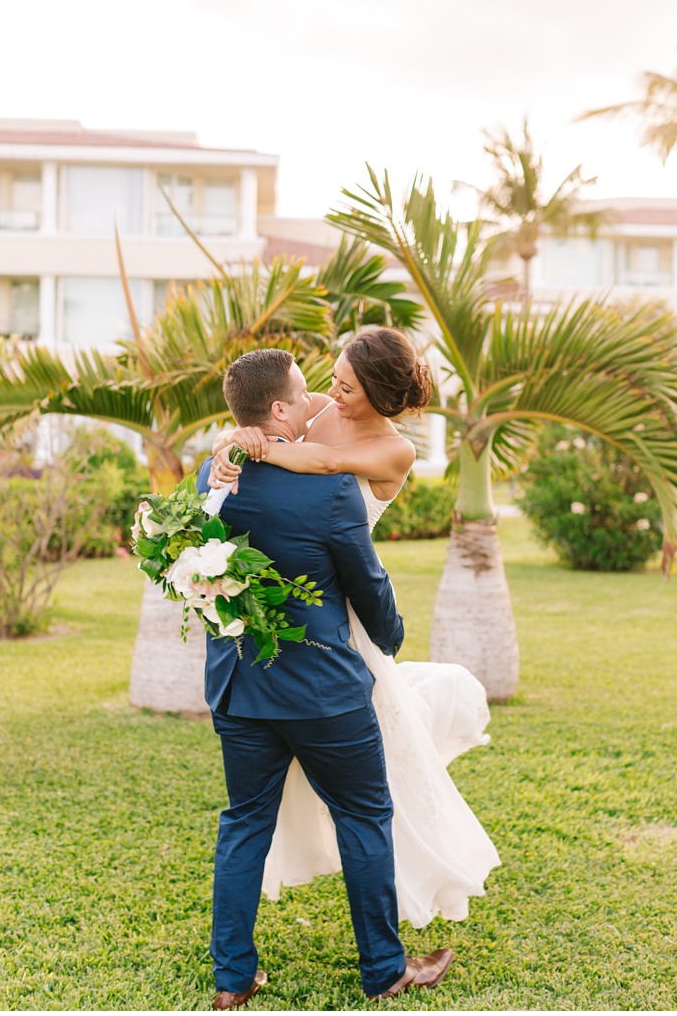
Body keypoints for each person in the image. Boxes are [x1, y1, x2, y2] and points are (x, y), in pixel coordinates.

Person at [208, 328, 500, 929]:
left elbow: (320, 460)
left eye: (345, 385)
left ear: (379, 393)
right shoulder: (319, 404)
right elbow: (276, 413)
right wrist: (233, 438)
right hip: (289, 607)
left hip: (339, 618)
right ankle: (377, 949)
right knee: (330, 791)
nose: (330, 392)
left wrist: (251, 448)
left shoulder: (393, 452)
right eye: (332, 377)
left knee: (375, 787)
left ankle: (412, 888)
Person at [194, 347, 452, 1007]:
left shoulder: (212, 475)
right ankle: (385, 970)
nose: (319, 398)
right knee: (364, 815)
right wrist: (389, 639)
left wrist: (240, 438)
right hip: (324, 688)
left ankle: (231, 982)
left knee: (244, 822)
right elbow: (368, 586)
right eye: (307, 390)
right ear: (281, 407)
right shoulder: (332, 490)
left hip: (239, 684)